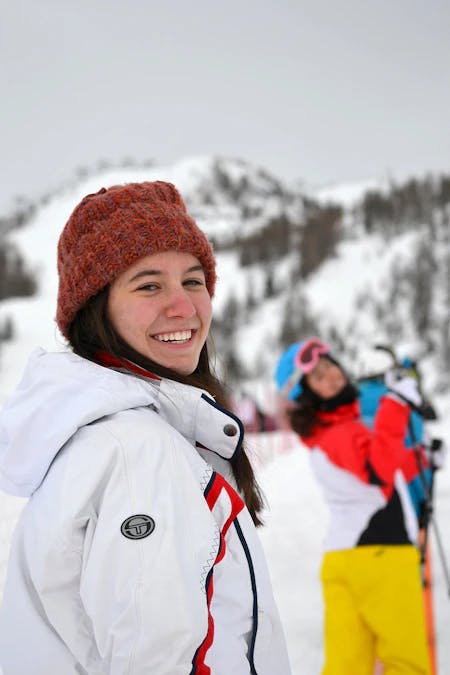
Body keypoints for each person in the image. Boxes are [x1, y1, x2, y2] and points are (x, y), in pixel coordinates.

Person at [0, 181, 292, 675]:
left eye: (194, 281)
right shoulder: (138, 451)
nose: (183, 307)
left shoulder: (109, 436)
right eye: (149, 284)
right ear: (98, 309)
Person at [274, 337, 431, 675]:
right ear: (307, 396)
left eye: (331, 367)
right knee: (406, 662)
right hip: (381, 557)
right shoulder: (340, 432)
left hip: (345, 560)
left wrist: (420, 457)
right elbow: (378, 471)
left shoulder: (328, 434)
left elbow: (372, 468)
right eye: (318, 377)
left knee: (348, 666)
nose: (332, 376)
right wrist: (397, 403)